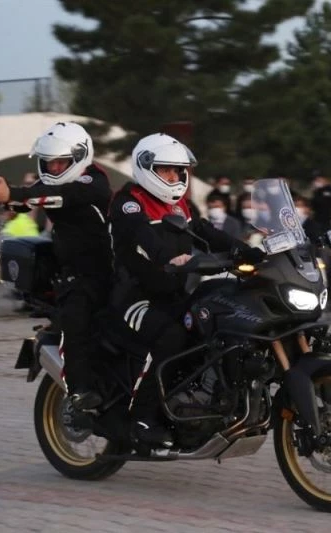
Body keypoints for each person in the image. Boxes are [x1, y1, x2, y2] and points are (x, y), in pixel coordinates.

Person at [109, 133, 265, 448]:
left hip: (173, 294)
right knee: (171, 337)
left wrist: (248, 251)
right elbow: (144, 236)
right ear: (146, 167)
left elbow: (205, 232)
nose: (174, 177)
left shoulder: (179, 204)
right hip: (133, 297)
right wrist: (168, 258)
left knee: (216, 323)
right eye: (166, 169)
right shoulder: (129, 203)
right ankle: (142, 418)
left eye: (178, 170)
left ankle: (201, 404)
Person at [0, 121, 114, 410]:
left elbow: (60, 195)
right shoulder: (53, 184)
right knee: (76, 321)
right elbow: (28, 199)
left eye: (60, 162)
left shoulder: (93, 182)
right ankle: (80, 392)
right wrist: (4, 194)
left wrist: (14, 194)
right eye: (49, 162)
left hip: (110, 270)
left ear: (79, 157)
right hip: (77, 276)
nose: (54, 168)